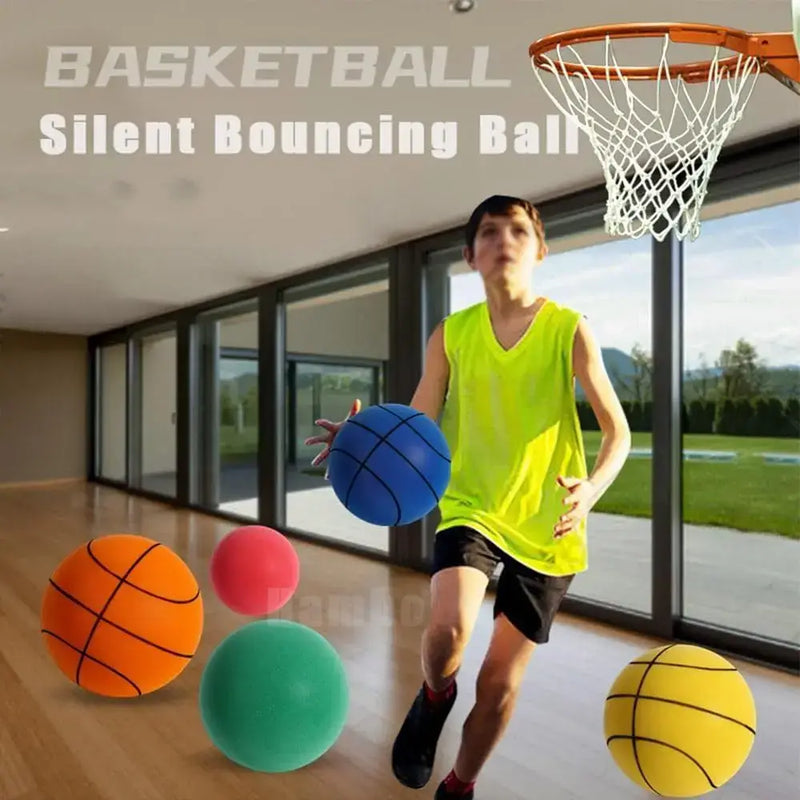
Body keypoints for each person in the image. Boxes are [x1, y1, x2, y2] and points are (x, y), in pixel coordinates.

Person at [304, 195, 631, 799]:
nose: (503, 238)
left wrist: (591, 490)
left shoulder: (569, 329)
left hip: (548, 522)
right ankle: (434, 696)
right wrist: (361, 439)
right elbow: (417, 424)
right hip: (470, 506)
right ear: (470, 255)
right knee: (448, 632)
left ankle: (460, 785)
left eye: (517, 229)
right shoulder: (452, 336)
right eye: (488, 231)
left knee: (500, 685)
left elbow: (619, 431)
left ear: (540, 249)